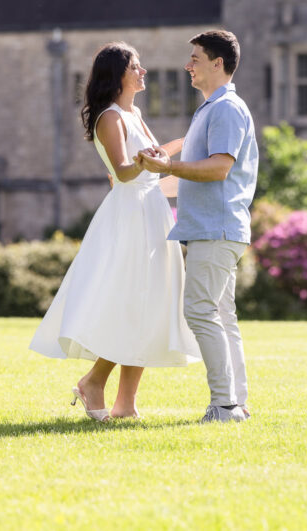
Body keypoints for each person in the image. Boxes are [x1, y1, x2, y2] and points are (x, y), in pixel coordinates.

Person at [30, 41, 201, 422]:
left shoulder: (134, 113)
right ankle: (93, 381)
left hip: (152, 211)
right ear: (118, 73)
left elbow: (146, 161)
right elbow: (122, 172)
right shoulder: (110, 117)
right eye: (136, 66)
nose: (143, 72)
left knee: (150, 303)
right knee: (131, 302)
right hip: (131, 215)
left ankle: (126, 405)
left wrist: (173, 154)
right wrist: (147, 162)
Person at [139, 30, 258, 424]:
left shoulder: (225, 108)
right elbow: (193, 177)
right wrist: (147, 185)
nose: (188, 65)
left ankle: (224, 406)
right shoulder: (210, 109)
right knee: (221, 315)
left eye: (195, 58)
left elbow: (219, 168)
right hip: (215, 227)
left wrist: (167, 166)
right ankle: (235, 402)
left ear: (217, 63)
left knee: (200, 311)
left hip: (217, 229)